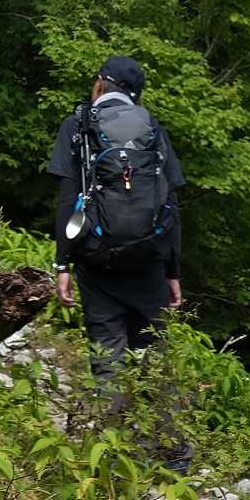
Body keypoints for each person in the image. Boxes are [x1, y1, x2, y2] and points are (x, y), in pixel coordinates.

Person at [48, 55, 184, 384]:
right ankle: (155, 415)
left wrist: (62, 265)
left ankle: (111, 413)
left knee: (107, 356)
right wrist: (173, 272)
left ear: (100, 83)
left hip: (97, 259)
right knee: (153, 358)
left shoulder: (78, 126)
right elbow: (170, 203)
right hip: (148, 259)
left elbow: (67, 201)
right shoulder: (152, 128)